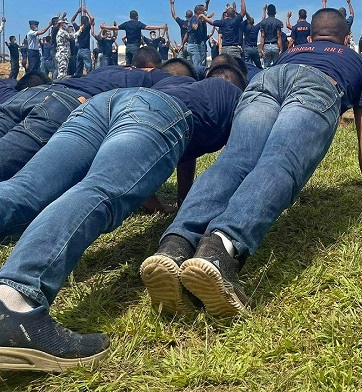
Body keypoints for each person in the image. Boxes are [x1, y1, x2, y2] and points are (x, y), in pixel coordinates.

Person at [0, 68, 243, 372]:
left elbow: (164, 155)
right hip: (158, 114)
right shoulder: (234, 95)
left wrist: (171, 201)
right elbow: (236, 160)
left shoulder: (180, 84)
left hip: (101, 105)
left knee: (26, 188)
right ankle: (14, 302)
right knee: (99, 190)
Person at [140, 9, 362, 318]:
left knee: (235, 159)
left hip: (266, 81)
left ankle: (175, 245)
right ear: (346, 38)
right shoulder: (357, 61)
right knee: (280, 162)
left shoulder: (292, 51)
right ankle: (220, 250)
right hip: (317, 84)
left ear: (313, 33)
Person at [0, 47, 169, 180]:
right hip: (67, 102)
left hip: (37, 91)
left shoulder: (106, 69)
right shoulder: (150, 76)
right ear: (151, 68)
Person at [70, 7, 95, 76]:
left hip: (79, 51)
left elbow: (72, 21)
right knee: (89, 69)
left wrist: (77, 12)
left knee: (78, 70)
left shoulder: (78, 28)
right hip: (86, 50)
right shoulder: (87, 27)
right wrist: (86, 11)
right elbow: (92, 18)